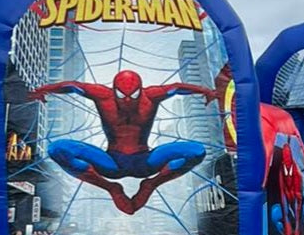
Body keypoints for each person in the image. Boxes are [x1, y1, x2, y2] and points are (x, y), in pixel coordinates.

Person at [29, 71, 216, 214]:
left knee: (196, 151)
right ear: (114, 90)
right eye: (121, 95)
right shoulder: (102, 95)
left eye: (133, 96)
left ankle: (151, 185)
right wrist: (46, 89)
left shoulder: (152, 96)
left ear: (141, 90)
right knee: (57, 149)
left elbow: (176, 87)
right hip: (111, 163)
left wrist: (204, 91)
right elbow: (74, 86)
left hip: (145, 161)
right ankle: (111, 188)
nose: (127, 100)